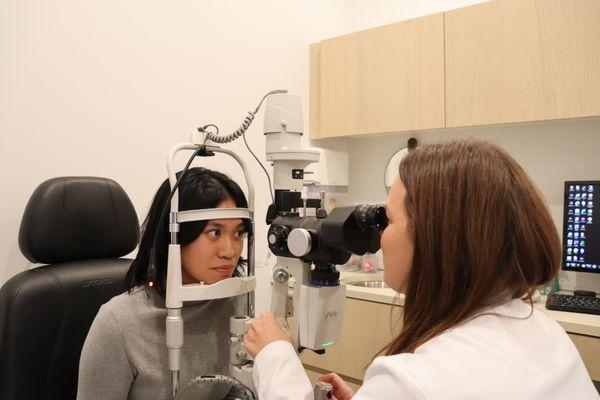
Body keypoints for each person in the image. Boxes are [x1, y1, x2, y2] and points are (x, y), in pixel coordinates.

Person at [244, 139, 600, 399]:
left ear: (435, 237)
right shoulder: (547, 333)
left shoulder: (414, 383)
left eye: (389, 219)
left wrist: (276, 355)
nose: (380, 237)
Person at [77, 167, 250, 400]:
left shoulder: (239, 306)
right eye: (214, 233)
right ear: (175, 235)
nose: (230, 251)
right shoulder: (119, 324)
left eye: (238, 233)